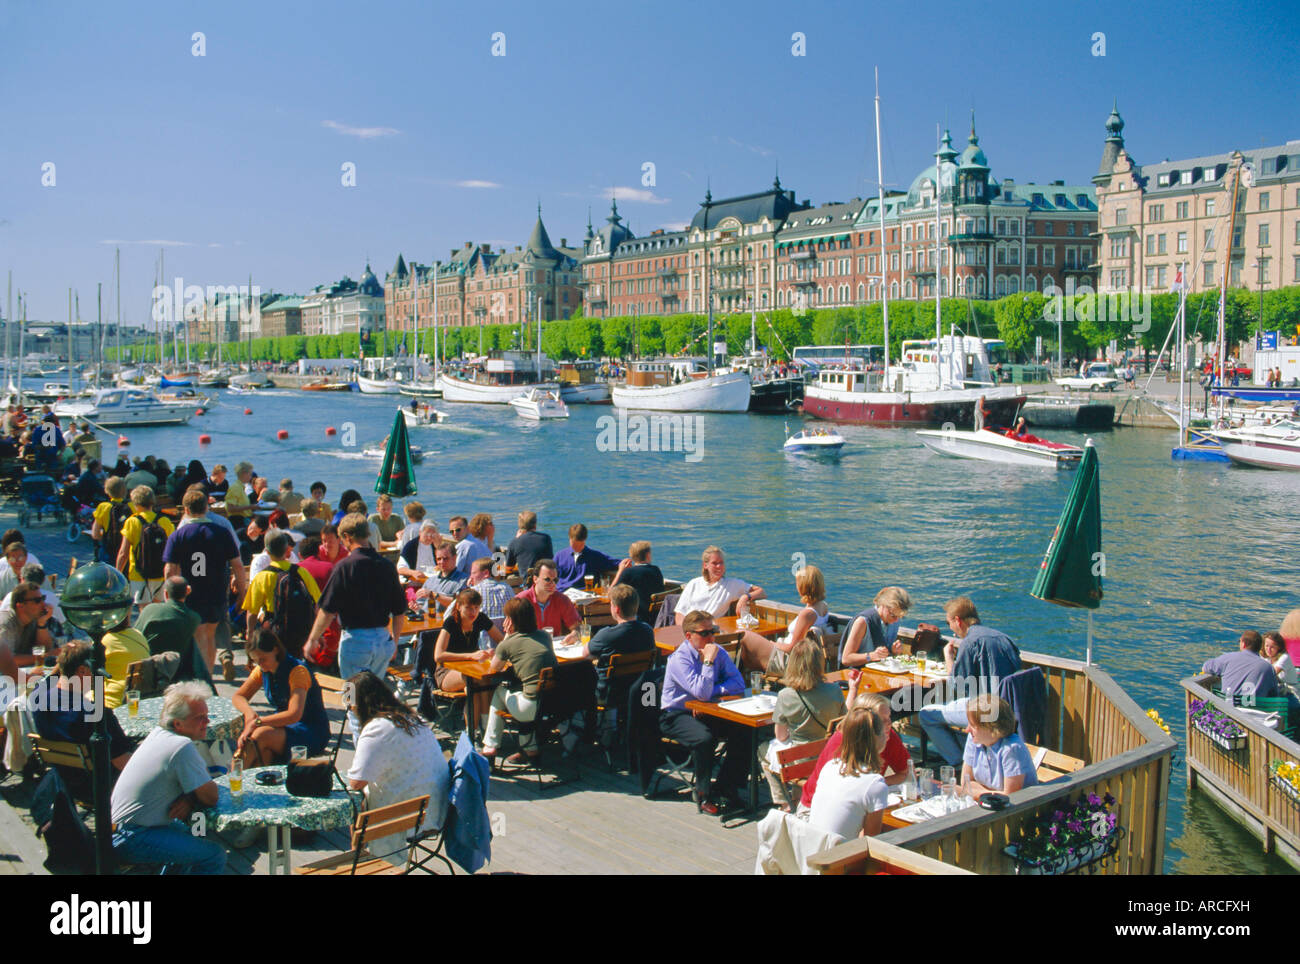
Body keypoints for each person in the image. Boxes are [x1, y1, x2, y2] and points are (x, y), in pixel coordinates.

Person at [304, 515, 407, 736]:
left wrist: (313, 638)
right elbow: (399, 612)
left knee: (352, 702)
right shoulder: (386, 566)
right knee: (374, 699)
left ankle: (362, 754)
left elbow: (327, 610)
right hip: (382, 641)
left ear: (347, 537)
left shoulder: (344, 567)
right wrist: (394, 642)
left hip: (355, 643)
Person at [110, 681, 225, 874]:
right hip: (135, 836)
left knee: (193, 837)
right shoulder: (181, 747)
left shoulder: (158, 734)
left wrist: (188, 798)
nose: (207, 722)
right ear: (178, 723)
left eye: (207, 716)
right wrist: (193, 795)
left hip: (118, 829)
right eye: (200, 718)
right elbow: (211, 797)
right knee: (214, 855)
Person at [346, 670, 450, 866]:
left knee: (355, 801)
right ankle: (363, 860)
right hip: (436, 808)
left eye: (350, 703)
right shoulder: (410, 718)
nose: (350, 709)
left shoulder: (376, 728)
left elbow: (356, 782)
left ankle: (363, 863)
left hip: (408, 817)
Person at [660, 609, 748, 815]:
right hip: (676, 714)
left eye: (713, 631)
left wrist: (711, 694)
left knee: (745, 729)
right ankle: (703, 793)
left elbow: (738, 683)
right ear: (689, 636)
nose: (711, 637)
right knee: (704, 739)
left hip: (706, 708)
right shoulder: (680, 660)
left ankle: (727, 785)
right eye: (705, 633)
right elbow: (700, 691)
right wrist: (708, 663)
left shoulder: (718, 651)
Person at [919, 597, 1022, 766]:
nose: (950, 628)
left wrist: (949, 657)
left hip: (986, 711)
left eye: (948, 623)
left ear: (957, 620)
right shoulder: (1004, 638)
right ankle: (971, 754)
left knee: (926, 714)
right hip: (1011, 708)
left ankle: (959, 762)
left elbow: (957, 686)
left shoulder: (970, 642)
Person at [163, 487, 248, 681]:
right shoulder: (222, 531)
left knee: (197, 635)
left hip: (190, 592)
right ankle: (207, 675)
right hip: (216, 591)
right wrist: (242, 593)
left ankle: (201, 678)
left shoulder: (179, 534)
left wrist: (169, 593)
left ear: (185, 509)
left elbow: (170, 569)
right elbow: (238, 565)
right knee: (209, 635)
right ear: (206, 507)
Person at [30, 642, 133, 792]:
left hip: (64, 781)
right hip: (100, 787)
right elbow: (124, 763)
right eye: (98, 670)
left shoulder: (38, 696)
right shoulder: (96, 714)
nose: (100, 677)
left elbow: (52, 679)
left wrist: (68, 656)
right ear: (83, 670)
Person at [759, 635, 845, 810]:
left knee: (762, 751)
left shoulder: (786, 695)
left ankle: (784, 802)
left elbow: (781, 736)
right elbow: (842, 722)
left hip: (799, 760)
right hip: (829, 755)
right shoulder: (835, 690)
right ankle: (799, 798)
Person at [799, 691, 911, 816]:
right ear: (864, 722)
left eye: (889, 717)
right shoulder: (842, 744)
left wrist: (876, 785)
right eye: (882, 720)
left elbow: (907, 773)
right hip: (815, 810)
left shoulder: (887, 735)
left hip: (857, 804)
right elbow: (836, 797)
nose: (889, 723)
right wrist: (872, 788)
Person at [231, 628, 330, 766]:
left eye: (263, 659)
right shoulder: (262, 669)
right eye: (255, 661)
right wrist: (249, 715)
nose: (259, 664)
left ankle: (234, 778)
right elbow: (239, 696)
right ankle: (248, 783)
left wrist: (258, 722)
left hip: (310, 730)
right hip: (285, 727)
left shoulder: (297, 671)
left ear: (276, 650)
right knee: (264, 753)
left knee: (260, 735)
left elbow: (294, 714)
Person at [481, 597, 558, 765]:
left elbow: (494, 667)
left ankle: (490, 746)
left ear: (512, 620)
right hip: (553, 705)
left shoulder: (509, 644)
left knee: (500, 691)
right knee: (525, 690)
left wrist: (507, 636)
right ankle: (530, 749)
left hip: (529, 709)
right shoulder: (545, 636)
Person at [807, 705, 891, 839]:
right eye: (883, 733)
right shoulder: (875, 784)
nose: (887, 735)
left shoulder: (830, 766)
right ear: (875, 738)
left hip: (811, 850)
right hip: (837, 856)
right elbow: (871, 841)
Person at [585, 584, 655, 736]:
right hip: (638, 689)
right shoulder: (647, 631)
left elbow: (585, 655)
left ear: (616, 609)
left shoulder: (606, 635)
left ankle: (586, 730)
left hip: (609, 692)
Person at [429, 588, 503, 726]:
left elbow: (501, 640)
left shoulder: (480, 618)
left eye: (476, 608)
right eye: (468, 608)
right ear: (458, 606)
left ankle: (484, 731)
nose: (473, 612)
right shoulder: (451, 622)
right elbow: (438, 656)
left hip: (472, 669)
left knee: (484, 682)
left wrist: (494, 652)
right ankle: (476, 732)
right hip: (446, 672)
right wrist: (471, 656)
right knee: (473, 681)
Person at [241, 532, 321, 652]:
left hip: (274, 632)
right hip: (300, 631)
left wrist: (250, 632)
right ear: (286, 549)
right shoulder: (301, 572)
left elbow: (252, 611)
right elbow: (319, 602)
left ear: (267, 551)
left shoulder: (262, 577)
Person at [747, 565, 830, 676]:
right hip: (799, 659)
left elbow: (793, 648)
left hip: (789, 661)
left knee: (745, 637)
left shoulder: (807, 614)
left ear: (803, 586)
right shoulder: (823, 606)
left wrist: (773, 643)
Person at [134, 577, 210, 688]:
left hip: (147, 669)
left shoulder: (149, 610)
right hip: (176, 672)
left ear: (165, 593)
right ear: (187, 592)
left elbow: (137, 634)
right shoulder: (194, 618)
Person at [962, 694, 1038, 799]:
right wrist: (990, 794)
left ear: (992, 728)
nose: (967, 730)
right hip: (988, 804)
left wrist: (976, 791)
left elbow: (1011, 797)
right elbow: (966, 783)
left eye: (973, 726)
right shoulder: (974, 739)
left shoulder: (1012, 749)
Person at [674, 546, 765, 623]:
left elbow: (761, 591)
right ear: (705, 565)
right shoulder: (694, 583)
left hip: (709, 631)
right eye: (714, 563)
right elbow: (680, 614)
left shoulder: (731, 584)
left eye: (721, 562)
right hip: (688, 629)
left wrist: (745, 597)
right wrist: (685, 632)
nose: (719, 566)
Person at [116, 485, 174, 605]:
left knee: (144, 610)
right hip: (160, 573)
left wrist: (118, 573)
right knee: (157, 609)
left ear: (135, 503)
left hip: (139, 574)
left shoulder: (132, 522)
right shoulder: (165, 521)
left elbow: (123, 552)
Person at [840, 586, 913, 668]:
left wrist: (893, 651)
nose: (896, 620)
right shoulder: (863, 622)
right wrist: (871, 656)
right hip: (858, 674)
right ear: (883, 605)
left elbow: (885, 654)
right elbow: (846, 659)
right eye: (893, 615)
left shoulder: (894, 621)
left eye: (900, 617)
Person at [0, 581, 56, 680]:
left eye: (43, 598)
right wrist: (46, 656)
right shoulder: (5, 623)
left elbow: (45, 648)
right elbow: (6, 661)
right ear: (20, 605)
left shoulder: (33, 619)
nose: (44, 604)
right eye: (37, 601)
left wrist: (41, 624)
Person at [1200, 630, 1279, 700]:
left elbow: (1205, 667)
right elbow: (1274, 694)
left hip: (1229, 711)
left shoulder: (1228, 658)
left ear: (1243, 644)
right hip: (1256, 713)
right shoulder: (1268, 667)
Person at [516, 559, 580, 642]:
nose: (552, 584)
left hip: (555, 649)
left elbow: (577, 628)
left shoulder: (562, 600)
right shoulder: (520, 601)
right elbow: (511, 635)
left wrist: (575, 635)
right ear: (535, 579)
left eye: (555, 580)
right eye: (547, 579)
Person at [554, 523, 620, 592]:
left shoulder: (595, 556)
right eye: (574, 545)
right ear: (569, 538)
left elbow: (619, 563)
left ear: (585, 540)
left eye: (580, 545)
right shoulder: (559, 556)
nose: (577, 548)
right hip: (562, 594)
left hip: (585, 594)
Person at [611, 540, 665, 624]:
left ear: (631, 556)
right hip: (656, 617)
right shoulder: (656, 570)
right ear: (648, 555)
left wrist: (620, 571)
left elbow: (611, 593)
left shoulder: (629, 573)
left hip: (638, 618)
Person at [413, 541, 469, 610]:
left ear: (454, 558)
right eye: (439, 559)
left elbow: (461, 604)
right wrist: (416, 607)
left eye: (445, 558)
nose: (442, 562)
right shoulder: (430, 581)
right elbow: (421, 604)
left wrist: (434, 595)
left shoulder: (464, 581)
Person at [91, 475, 132, 564]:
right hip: (128, 551)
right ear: (124, 490)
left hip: (109, 551)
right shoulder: (132, 506)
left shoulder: (103, 507)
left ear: (107, 491)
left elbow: (95, 534)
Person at [465, 556, 513, 624]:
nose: (470, 577)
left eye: (473, 573)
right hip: (505, 633)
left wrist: (468, 589)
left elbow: (448, 615)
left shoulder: (473, 592)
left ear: (486, 573)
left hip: (480, 633)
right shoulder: (508, 589)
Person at [505, 510, 553, 576]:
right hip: (545, 578)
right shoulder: (546, 538)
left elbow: (508, 568)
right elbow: (550, 560)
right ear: (535, 525)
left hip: (527, 583)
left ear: (520, 526)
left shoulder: (515, 542)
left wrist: (516, 539)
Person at [1263, 631, 1299, 699]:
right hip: (1279, 690)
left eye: (1272, 647)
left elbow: (1272, 674)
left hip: (1292, 694)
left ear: (1279, 647)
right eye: (1266, 646)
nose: (1268, 650)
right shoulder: (1266, 659)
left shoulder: (1285, 657)